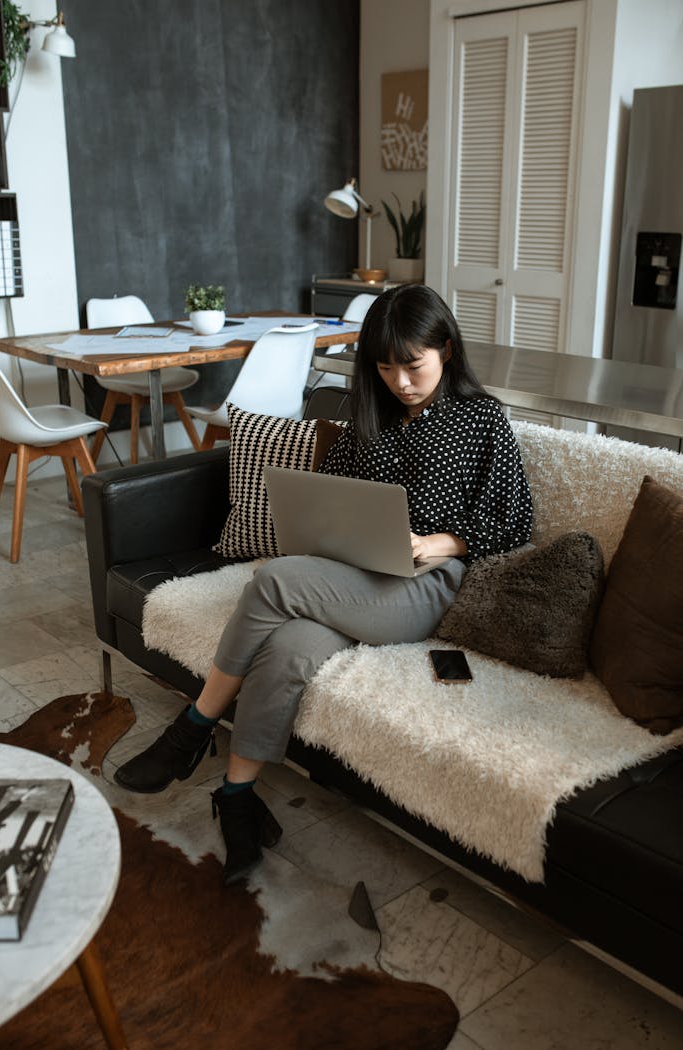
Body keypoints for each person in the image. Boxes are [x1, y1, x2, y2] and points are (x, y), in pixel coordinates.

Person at [114, 284, 532, 884]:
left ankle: (192, 729)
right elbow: (333, 492)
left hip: (421, 588)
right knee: (285, 649)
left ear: (445, 347)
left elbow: (515, 520)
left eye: (413, 365)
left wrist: (443, 542)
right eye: (385, 368)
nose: (400, 382)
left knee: (276, 579)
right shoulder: (370, 414)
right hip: (353, 574)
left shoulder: (481, 418)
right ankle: (236, 797)